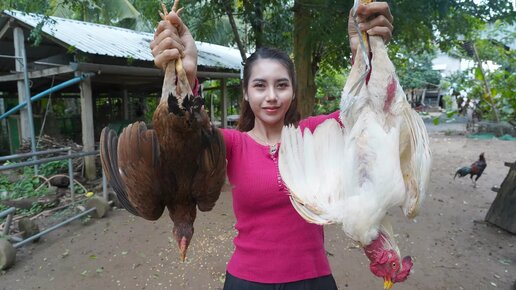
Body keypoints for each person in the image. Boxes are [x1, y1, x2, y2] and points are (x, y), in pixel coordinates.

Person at [151, 2, 393, 289]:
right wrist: (185, 75)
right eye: (260, 86)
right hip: (246, 281)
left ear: (293, 90)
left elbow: (368, 113)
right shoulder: (231, 144)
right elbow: (182, 139)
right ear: (245, 92)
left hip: (313, 280)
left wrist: (364, 51)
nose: (271, 97)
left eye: (281, 85)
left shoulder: (314, 134)